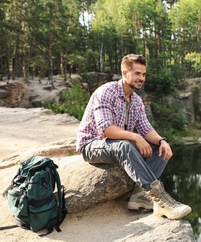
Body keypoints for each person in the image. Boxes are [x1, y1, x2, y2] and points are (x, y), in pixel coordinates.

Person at [76, 54, 191, 220]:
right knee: (125, 146)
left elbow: (145, 128)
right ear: (125, 73)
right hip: (93, 145)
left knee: (160, 149)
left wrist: (162, 141)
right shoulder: (106, 92)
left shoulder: (136, 101)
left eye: (143, 74)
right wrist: (136, 138)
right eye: (137, 73)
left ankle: (140, 198)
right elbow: (107, 129)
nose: (141, 78)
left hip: (116, 144)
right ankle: (161, 200)